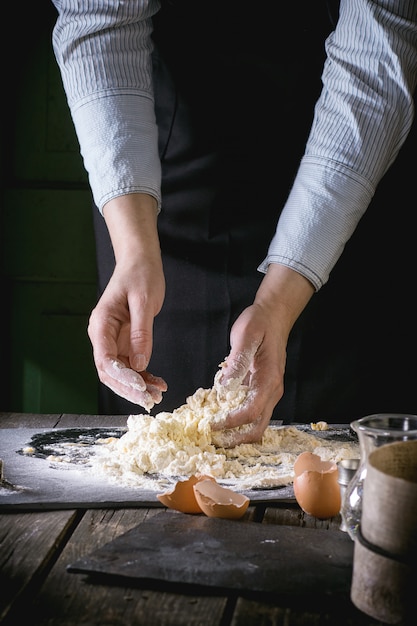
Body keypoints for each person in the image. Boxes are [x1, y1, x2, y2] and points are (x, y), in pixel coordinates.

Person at [50, 0, 417, 445]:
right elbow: (100, 19)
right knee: (169, 456)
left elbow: (375, 60)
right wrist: (133, 252)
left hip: (348, 170)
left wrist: (279, 303)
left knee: (340, 451)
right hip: (161, 168)